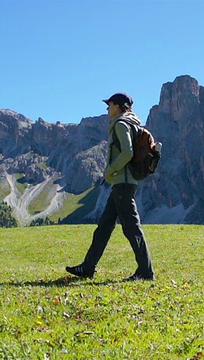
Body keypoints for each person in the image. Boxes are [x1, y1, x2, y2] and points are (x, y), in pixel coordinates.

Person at [66, 92, 154, 281]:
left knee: (132, 228)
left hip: (122, 183)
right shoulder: (132, 123)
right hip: (123, 184)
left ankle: (146, 273)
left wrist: (109, 172)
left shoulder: (121, 124)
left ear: (119, 106)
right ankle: (88, 267)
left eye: (110, 104)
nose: (107, 108)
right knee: (104, 227)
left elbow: (128, 153)